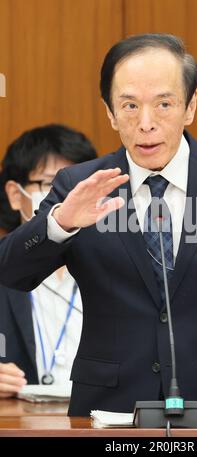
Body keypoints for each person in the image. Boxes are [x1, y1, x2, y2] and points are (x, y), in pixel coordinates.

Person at [0, 34, 197, 418]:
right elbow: (10, 271)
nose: (145, 124)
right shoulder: (80, 185)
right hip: (108, 408)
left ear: (190, 106)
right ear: (109, 112)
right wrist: (60, 222)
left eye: (163, 104)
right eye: (129, 105)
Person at [0, 124, 97, 397]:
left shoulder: (116, 263)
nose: (68, 195)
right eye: (51, 183)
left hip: (98, 423)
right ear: (15, 195)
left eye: (79, 184)